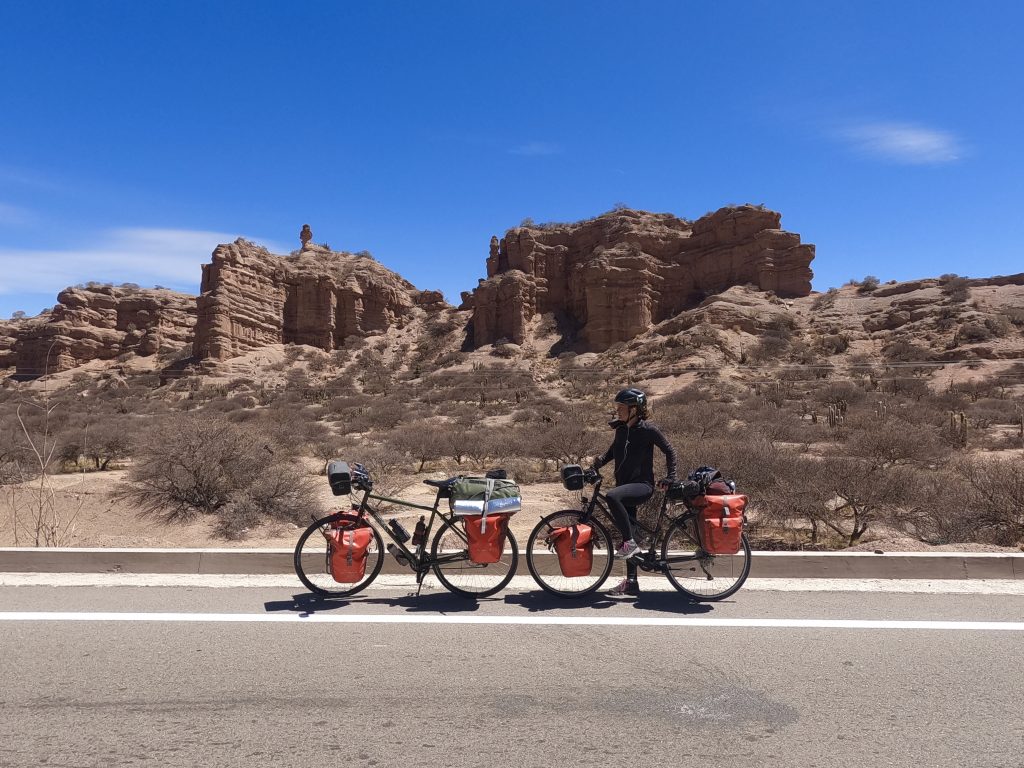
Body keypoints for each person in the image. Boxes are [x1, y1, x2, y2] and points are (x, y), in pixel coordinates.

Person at [590, 387, 677, 596]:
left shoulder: (648, 430)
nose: (618, 411)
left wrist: (670, 477)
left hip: (642, 485)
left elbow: (670, 451)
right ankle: (631, 582)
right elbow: (611, 453)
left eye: (621, 407)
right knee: (627, 531)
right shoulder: (621, 430)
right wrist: (595, 465)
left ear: (634, 409)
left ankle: (630, 544)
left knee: (612, 497)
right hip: (625, 486)